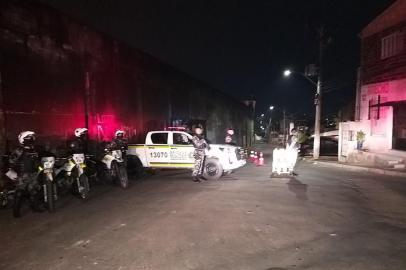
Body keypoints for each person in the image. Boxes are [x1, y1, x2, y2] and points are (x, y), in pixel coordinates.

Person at [7, 131, 43, 214]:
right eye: (29, 137)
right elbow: (11, 161)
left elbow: (37, 161)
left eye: (32, 136)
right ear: (23, 139)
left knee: (34, 191)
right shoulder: (19, 150)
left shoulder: (34, 149)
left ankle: (35, 207)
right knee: (20, 191)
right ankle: (16, 211)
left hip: (33, 173)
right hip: (23, 174)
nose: (32, 138)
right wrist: (11, 171)